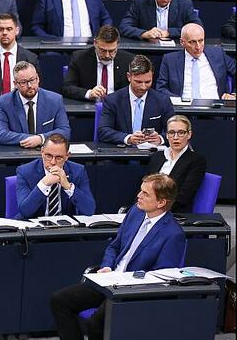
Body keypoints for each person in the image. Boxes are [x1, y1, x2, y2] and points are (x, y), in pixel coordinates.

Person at [50, 173, 186, 340]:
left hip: (131, 291)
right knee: (59, 300)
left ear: (161, 202)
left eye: (145, 194)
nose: (138, 195)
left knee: (96, 323)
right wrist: (107, 266)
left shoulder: (173, 234)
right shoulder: (135, 212)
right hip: (110, 279)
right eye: (140, 191)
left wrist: (126, 281)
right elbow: (114, 246)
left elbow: (161, 277)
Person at [98, 55, 175, 146]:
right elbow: (103, 131)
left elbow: (173, 131)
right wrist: (128, 138)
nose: (143, 87)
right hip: (120, 156)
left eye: (147, 82)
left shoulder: (163, 101)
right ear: (129, 77)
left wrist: (160, 139)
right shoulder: (112, 100)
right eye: (138, 82)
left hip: (151, 156)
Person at [15, 133, 95, 219]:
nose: (53, 162)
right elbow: (25, 212)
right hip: (34, 228)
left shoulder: (78, 171)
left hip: (64, 228)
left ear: (67, 156)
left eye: (58, 157)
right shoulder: (25, 172)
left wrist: (68, 187)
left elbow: (89, 210)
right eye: (48, 156)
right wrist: (44, 184)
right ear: (42, 152)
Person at [0, 61, 71, 148]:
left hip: (46, 155)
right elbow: (1, 135)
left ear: (38, 78)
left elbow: (65, 131)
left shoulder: (55, 100)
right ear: (15, 84)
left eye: (32, 80)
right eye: (23, 82)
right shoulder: (3, 102)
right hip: (16, 157)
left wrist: (41, 138)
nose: (29, 85)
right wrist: (32, 139)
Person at [157, 23, 236, 100]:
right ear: (182, 42)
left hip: (214, 108)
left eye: (201, 41)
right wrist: (178, 101)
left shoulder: (218, 54)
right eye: (192, 42)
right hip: (184, 109)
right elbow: (161, 88)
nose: (198, 47)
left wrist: (233, 95)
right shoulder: (170, 60)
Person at [147, 115, 206, 213]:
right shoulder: (157, 156)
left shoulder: (196, 160)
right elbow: (145, 187)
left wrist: (155, 208)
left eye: (181, 133)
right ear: (166, 135)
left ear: (189, 134)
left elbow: (183, 197)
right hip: (149, 209)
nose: (175, 137)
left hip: (173, 212)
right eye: (171, 132)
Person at [62, 25, 134, 101]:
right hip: (91, 108)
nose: (107, 55)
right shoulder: (79, 58)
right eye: (102, 50)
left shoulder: (128, 60)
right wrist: (89, 93)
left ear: (117, 45)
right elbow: (67, 87)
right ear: (95, 43)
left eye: (111, 51)